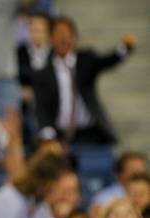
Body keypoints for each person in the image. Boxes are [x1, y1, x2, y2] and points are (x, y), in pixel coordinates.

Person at [33, 16, 137, 145]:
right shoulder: (43, 73)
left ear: (74, 38)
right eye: (59, 34)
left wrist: (124, 47)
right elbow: (41, 106)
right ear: (51, 39)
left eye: (67, 34)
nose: (64, 39)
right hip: (58, 135)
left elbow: (108, 60)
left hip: (89, 132)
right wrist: (48, 135)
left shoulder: (86, 60)